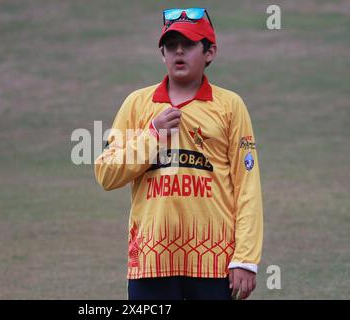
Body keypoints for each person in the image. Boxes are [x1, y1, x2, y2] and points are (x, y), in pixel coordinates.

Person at [94, 7, 263, 300]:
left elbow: (247, 188)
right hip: (150, 260)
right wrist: (152, 136)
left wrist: (245, 258)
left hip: (214, 262)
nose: (178, 52)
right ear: (163, 54)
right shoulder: (137, 104)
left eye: (189, 44)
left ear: (209, 52)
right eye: (171, 46)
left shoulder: (230, 106)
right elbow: (106, 174)